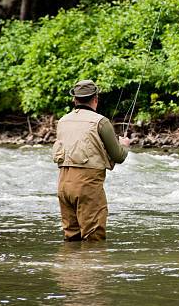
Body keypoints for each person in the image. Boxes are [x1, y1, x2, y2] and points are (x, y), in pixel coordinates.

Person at [52, 79, 130, 241]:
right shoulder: (101, 122)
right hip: (87, 185)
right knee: (93, 238)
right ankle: (92, 266)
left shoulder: (63, 121)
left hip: (63, 185)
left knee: (71, 236)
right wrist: (125, 145)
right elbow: (118, 156)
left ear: (74, 99)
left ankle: (69, 265)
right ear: (95, 99)